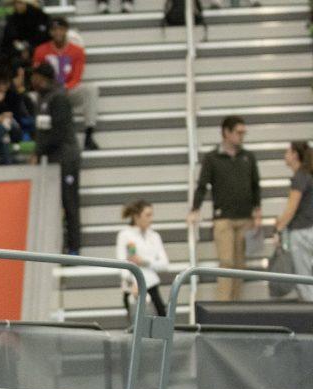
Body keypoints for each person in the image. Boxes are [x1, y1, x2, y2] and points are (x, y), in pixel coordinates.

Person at [186, 116, 262, 301]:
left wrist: (257, 211)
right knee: (226, 263)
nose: (242, 136)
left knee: (240, 265)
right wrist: (195, 209)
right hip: (224, 219)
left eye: (243, 132)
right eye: (238, 132)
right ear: (226, 132)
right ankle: (223, 307)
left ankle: (235, 307)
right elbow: (202, 185)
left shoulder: (248, 157)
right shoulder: (212, 158)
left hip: (245, 218)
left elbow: (255, 185)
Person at [29, 63, 82, 255]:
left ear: (42, 77)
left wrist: (38, 151)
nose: (31, 80)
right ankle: (60, 246)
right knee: (56, 204)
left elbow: (57, 131)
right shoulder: (43, 99)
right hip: (53, 159)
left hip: (66, 158)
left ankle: (74, 247)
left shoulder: (58, 98)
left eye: (34, 76)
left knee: (69, 202)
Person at [32, 17, 99, 150]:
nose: (57, 32)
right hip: (48, 93)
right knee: (32, 97)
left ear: (66, 31)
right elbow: (37, 77)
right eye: (54, 29)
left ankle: (89, 134)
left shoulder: (77, 51)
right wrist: (51, 90)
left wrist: (64, 88)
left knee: (91, 89)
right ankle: (39, 136)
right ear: (50, 32)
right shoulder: (40, 51)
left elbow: (77, 76)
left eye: (60, 29)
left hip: (68, 90)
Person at [274, 141, 313, 301]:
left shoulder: (300, 177)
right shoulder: (308, 175)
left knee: (304, 279)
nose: (285, 156)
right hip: (309, 229)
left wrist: (278, 229)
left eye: (287, 152)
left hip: (302, 232)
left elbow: (291, 209)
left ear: (295, 155)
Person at [116, 200, 169, 317]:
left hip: (151, 284)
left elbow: (165, 264)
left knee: (162, 322)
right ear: (136, 217)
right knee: (137, 327)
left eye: (152, 215)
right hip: (132, 286)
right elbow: (122, 265)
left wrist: (144, 262)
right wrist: (133, 283)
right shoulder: (124, 235)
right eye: (147, 215)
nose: (151, 219)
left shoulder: (154, 236)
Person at [0, 0, 50, 74]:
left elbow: (43, 39)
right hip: (16, 54)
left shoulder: (42, 18)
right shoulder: (12, 19)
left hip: (38, 52)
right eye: (15, 3)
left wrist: (29, 49)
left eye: (20, 3)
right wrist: (21, 49)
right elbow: (8, 40)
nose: (17, 6)